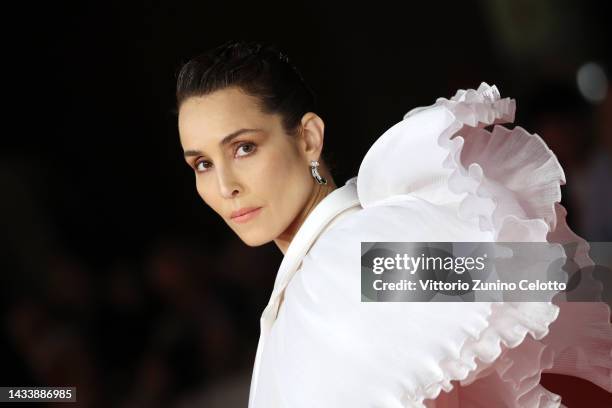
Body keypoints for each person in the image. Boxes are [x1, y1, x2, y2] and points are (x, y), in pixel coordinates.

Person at [175, 40, 612, 407]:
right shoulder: (334, 268)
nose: (225, 185)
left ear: (308, 138)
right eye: (202, 163)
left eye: (244, 148)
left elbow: (568, 277)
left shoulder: (356, 260)